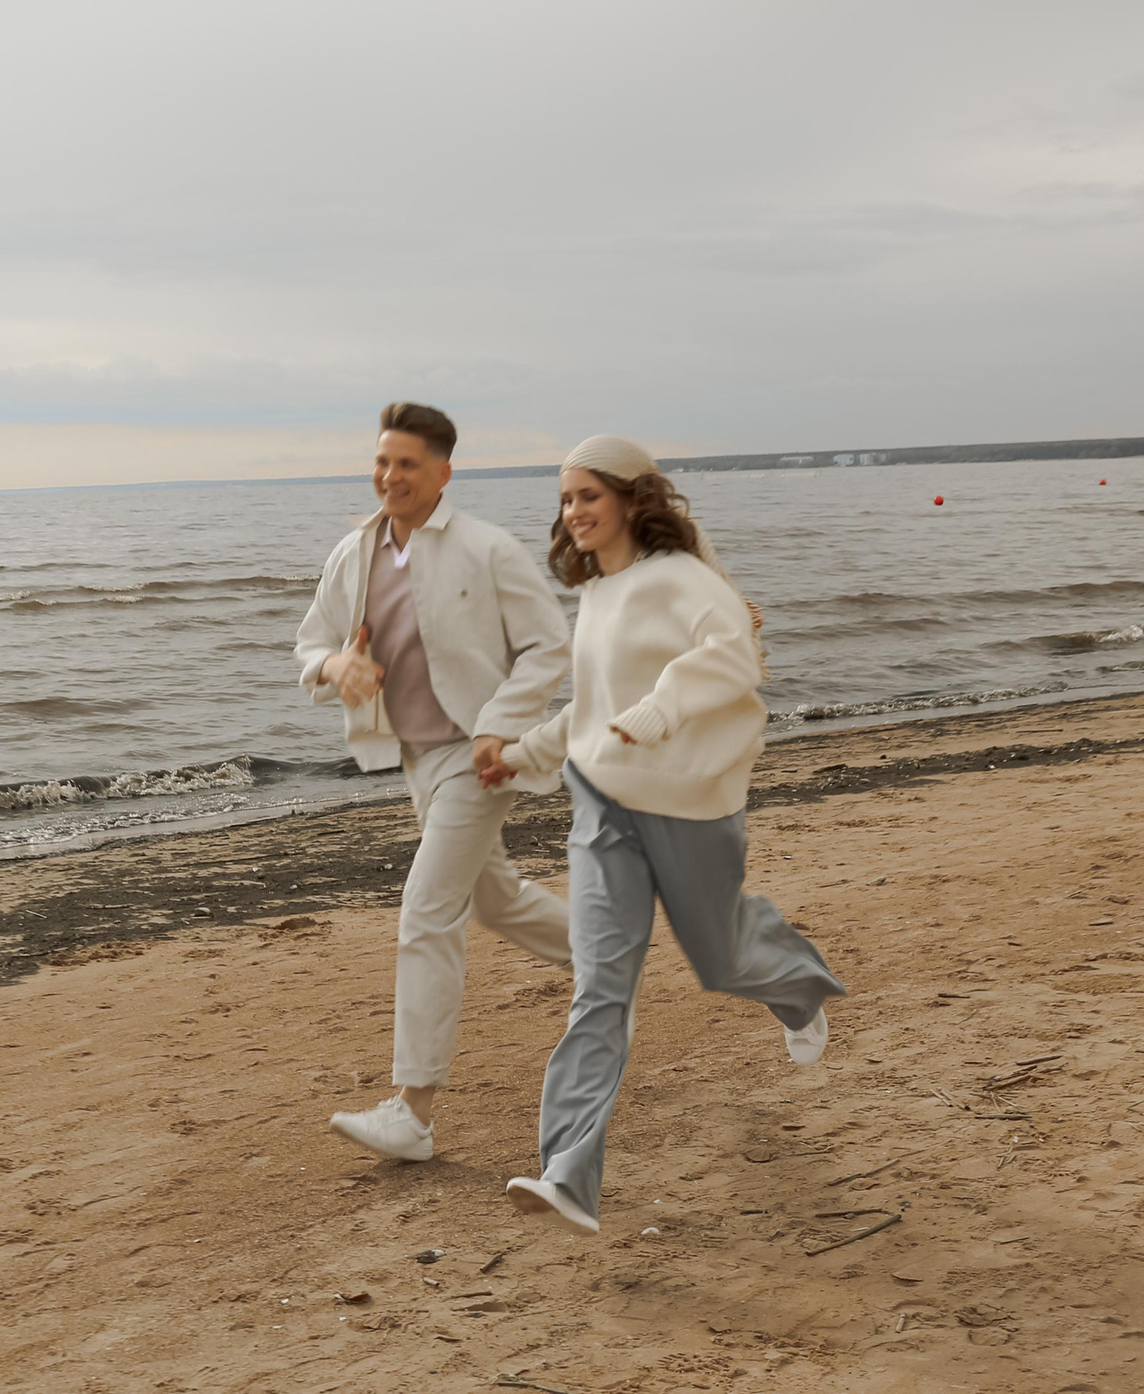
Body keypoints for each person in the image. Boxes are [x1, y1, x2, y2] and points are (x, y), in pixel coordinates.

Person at [479, 434, 845, 1234]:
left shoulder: (679, 579)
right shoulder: (599, 596)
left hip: (688, 805)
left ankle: (798, 987)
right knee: (599, 987)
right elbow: (591, 706)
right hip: (602, 803)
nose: (573, 512)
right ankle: (567, 1173)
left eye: (587, 496)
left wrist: (667, 703)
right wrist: (521, 755)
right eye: (565, 499)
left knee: (722, 957)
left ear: (631, 499)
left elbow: (734, 654)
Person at [296, 402, 575, 1164]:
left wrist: (502, 723)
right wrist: (336, 667)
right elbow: (311, 642)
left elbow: (550, 645)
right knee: (493, 897)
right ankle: (605, 954)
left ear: (444, 472)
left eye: (408, 464)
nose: (391, 476)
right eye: (383, 461)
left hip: (479, 756)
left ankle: (412, 1111)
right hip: (416, 758)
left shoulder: (487, 549)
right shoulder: (354, 552)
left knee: (427, 908)